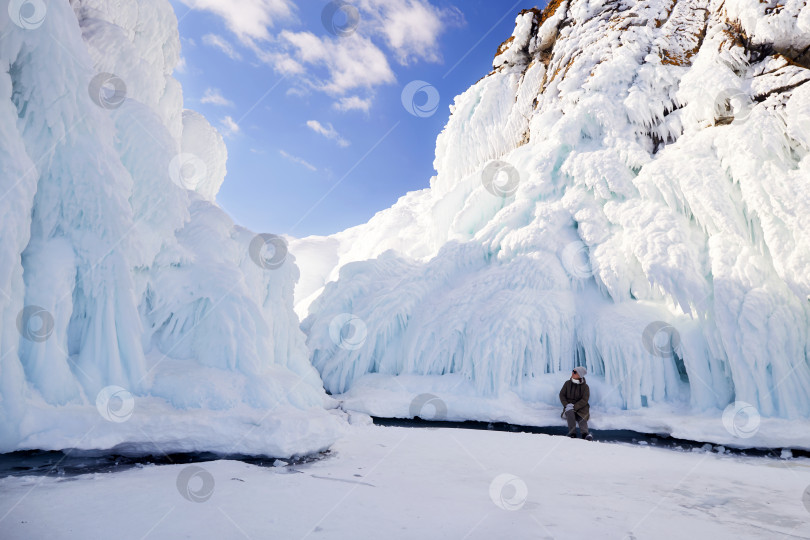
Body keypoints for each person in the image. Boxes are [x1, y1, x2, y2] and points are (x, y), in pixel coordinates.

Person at [559, 366, 592, 440]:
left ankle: (585, 434)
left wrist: (575, 406)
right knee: (570, 413)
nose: (572, 373)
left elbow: (585, 399)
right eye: (572, 371)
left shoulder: (585, 387)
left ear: (580, 375)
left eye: (575, 372)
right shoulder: (567, 383)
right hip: (569, 405)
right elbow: (562, 395)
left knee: (581, 416)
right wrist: (566, 405)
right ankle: (572, 434)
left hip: (581, 407)